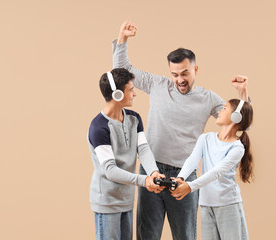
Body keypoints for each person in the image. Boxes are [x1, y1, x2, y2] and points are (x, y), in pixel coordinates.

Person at [113, 20, 251, 240]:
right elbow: (123, 70)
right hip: (151, 171)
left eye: (184, 73)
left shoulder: (208, 99)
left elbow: (240, 122)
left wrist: (243, 95)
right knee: (146, 235)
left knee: (186, 236)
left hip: (184, 176)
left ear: (195, 69)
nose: (179, 80)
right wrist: (123, 38)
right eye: (174, 74)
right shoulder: (158, 85)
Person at [87, 68, 165, 240]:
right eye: (131, 90)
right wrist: (143, 180)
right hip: (107, 202)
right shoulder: (98, 128)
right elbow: (110, 170)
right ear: (117, 95)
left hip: (126, 200)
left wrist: (153, 172)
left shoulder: (134, 118)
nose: (135, 94)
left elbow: (143, 149)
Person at [171, 99, 253, 240]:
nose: (219, 111)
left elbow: (217, 172)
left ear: (236, 116)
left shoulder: (237, 148)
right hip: (206, 204)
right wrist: (181, 178)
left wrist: (190, 186)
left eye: (225, 108)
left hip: (228, 205)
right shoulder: (206, 138)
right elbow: (192, 160)